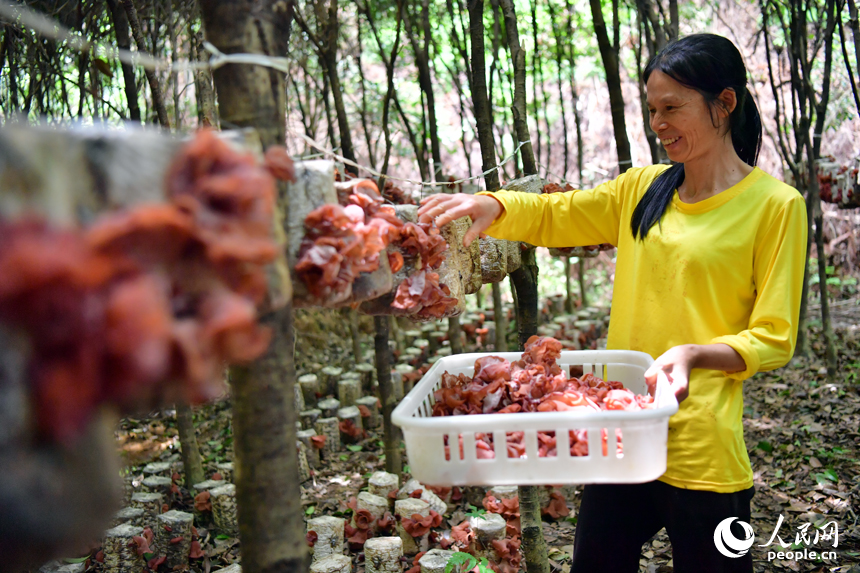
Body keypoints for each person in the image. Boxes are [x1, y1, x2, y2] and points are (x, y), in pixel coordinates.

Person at [417, 33, 807, 573]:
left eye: (673, 107)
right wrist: (495, 203)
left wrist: (695, 355)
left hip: (701, 446)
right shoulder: (644, 189)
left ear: (725, 102)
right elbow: (563, 214)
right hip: (620, 433)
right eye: (652, 109)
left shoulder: (775, 206)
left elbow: (775, 336)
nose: (658, 123)